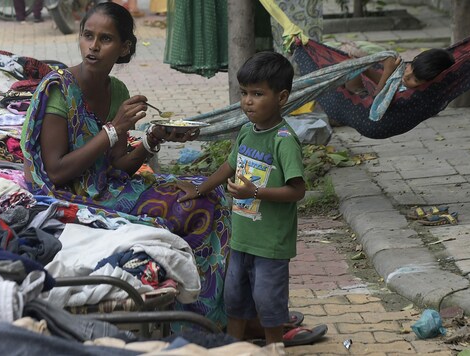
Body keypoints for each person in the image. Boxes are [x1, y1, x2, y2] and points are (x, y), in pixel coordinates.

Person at [21, 2, 231, 328]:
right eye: (87, 36)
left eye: (105, 39)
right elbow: (56, 170)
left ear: (125, 47)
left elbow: (117, 165)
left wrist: (151, 141)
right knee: (193, 208)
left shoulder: (117, 90)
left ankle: (213, 309)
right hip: (67, 195)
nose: (93, 46)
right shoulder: (59, 89)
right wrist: (113, 129)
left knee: (210, 191)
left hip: (107, 187)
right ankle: (192, 319)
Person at [177, 51, 306, 345]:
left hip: (271, 245)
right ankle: (231, 349)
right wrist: (200, 188)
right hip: (241, 239)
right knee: (235, 299)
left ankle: (275, 348)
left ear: (281, 97)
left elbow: (297, 190)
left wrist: (255, 192)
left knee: (268, 304)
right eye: (244, 93)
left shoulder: (283, 140)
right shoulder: (247, 132)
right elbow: (229, 166)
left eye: (258, 93)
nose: (247, 101)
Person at [346, 48, 455, 96]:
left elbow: (378, 101)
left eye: (415, 79)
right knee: (352, 67)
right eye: (410, 67)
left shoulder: (411, 96)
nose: (407, 76)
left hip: (371, 107)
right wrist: (365, 67)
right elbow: (390, 83)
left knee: (353, 76)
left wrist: (388, 71)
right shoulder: (407, 82)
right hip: (372, 91)